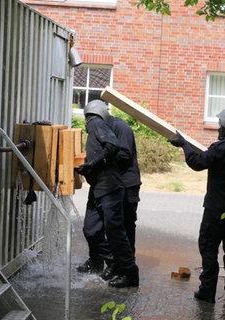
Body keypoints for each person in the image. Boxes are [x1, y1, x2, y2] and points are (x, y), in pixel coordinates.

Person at [168, 108, 225, 304]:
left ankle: (207, 291)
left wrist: (184, 144)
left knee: (208, 249)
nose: (218, 129)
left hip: (215, 212)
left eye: (221, 125)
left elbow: (196, 163)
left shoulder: (219, 149)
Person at [75, 99, 140, 288]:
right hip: (102, 183)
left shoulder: (119, 127)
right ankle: (101, 262)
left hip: (124, 183)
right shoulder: (97, 126)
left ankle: (125, 269)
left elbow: (123, 154)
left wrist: (95, 163)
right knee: (94, 229)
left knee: (121, 230)